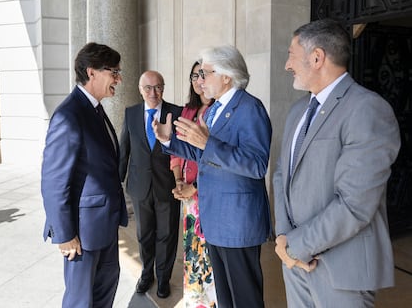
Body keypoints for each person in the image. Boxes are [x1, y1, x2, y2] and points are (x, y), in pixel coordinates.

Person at [273, 19, 401, 308]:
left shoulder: (368, 109)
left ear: (317, 57)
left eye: (291, 54)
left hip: (343, 271)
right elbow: (282, 174)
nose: (287, 65)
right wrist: (283, 238)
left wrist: (295, 247)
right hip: (294, 263)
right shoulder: (297, 111)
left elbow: (354, 204)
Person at [153, 45, 272, 307]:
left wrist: (207, 144)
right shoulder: (214, 109)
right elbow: (204, 154)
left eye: (205, 73)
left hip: (237, 222)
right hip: (215, 219)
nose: (200, 80)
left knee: (245, 299)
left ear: (227, 76)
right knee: (226, 298)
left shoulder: (250, 108)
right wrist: (169, 141)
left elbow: (257, 165)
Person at [41, 42, 128, 307]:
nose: (119, 78)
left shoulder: (95, 109)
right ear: (92, 72)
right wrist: (65, 234)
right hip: (82, 234)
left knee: (105, 291)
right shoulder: (69, 114)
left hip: (104, 226)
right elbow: (54, 181)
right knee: (81, 300)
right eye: (114, 72)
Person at [119, 70, 182, 299]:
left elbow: (183, 153)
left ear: (163, 88)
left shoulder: (176, 112)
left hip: (168, 186)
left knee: (167, 234)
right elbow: (124, 150)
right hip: (140, 186)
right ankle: (147, 275)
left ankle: (163, 278)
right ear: (140, 89)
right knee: (144, 234)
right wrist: (118, 182)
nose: (153, 92)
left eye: (158, 87)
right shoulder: (131, 113)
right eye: (148, 88)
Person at [170, 61, 217, 308]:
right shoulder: (187, 111)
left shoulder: (218, 111)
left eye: (203, 74)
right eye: (194, 75)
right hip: (188, 195)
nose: (198, 80)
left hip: (209, 194)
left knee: (209, 249)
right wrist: (178, 180)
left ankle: (212, 301)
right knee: (192, 249)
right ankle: (195, 299)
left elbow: (217, 158)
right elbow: (176, 153)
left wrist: (195, 187)